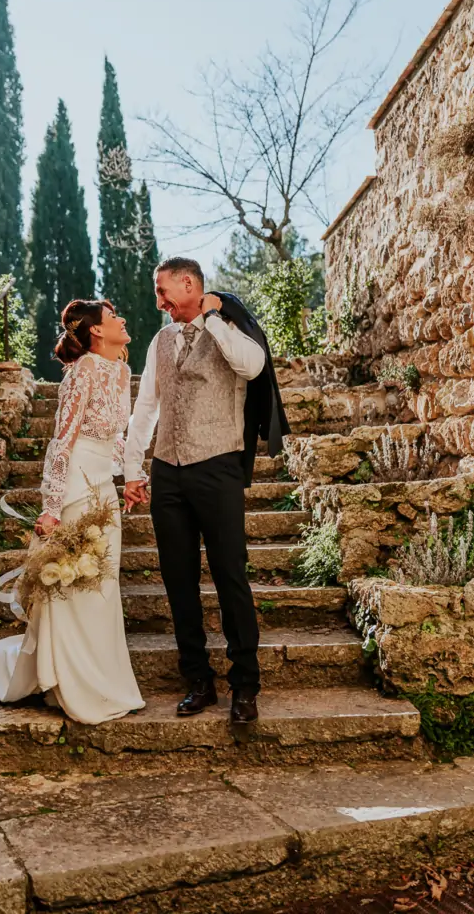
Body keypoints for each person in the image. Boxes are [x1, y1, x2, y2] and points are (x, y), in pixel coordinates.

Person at [124, 256, 285, 725]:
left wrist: (212, 318)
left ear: (190, 284)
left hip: (218, 467)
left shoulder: (229, 327)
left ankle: (245, 685)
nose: (159, 302)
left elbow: (253, 366)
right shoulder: (160, 339)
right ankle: (197, 679)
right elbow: (146, 405)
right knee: (178, 581)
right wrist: (134, 467)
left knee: (230, 575)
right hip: (168, 472)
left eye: (163, 291)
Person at [0, 299, 145, 725]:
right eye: (114, 316)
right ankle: (68, 681)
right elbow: (62, 442)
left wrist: (132, 476)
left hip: (104, 493)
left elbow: (117, 437)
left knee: (102, 588)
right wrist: (52, 507)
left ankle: (104, 681)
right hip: (75, 487)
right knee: (71, 587)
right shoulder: (83, 371)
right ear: (95, 331)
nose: (123, 319)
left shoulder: (124, 372)